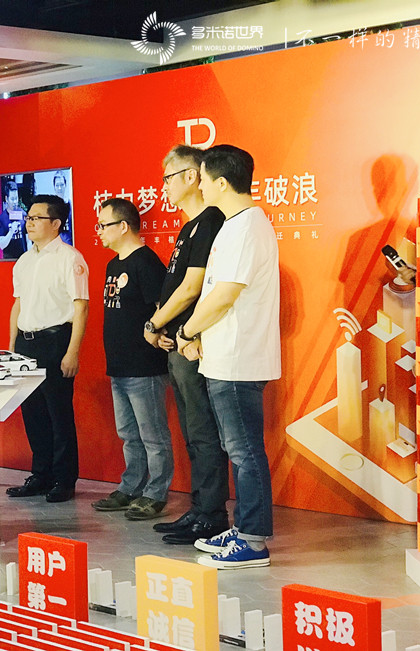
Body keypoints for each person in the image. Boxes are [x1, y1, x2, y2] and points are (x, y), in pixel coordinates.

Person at [174, 144, 280, 569]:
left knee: (245, 451)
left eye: (201, 178)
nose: (198, 186)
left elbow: (223, 296)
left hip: (239, 358)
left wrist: (187, 330)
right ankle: (245, 528)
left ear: (220, 182)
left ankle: (253, 541)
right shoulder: (235, 225)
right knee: (238, 449)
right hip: (225, 356)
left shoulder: (247, 227)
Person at [144, 145, 229, 545]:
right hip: (177, 342)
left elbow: (193, 287)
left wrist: (154, 323)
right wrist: (161, 324)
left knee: (203, 431)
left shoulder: (210, 220)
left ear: (192, 177)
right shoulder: (188, 226)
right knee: (194, 432)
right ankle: (200, 508)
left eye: (168, 178)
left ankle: (211, 515)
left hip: (194, 344)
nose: (163, 187)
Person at [91, 198, 172, 520]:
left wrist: (158, 334)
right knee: (129, 434)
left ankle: (156, 493)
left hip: (144, 366)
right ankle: (131, 487)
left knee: (153, 435)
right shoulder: (113, 265)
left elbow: (164, 306)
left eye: (103, 225)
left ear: (123, 226)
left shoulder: (146, 262)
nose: (98, 231)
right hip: (119, 365)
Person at [6, 194, 89, 503]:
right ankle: (40, 475)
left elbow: (81, 307)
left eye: (36, 218)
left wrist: (72, 352)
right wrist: (11, 348)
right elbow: (18, 305)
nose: (29, 222)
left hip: (56, 341)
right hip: (26, 343)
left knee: (58, 414)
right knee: (33, 413)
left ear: (55, 223)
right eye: (28, 217)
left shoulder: (70, 258)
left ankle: (63, 480)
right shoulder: (24, 260)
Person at [0, 181, 27, 259]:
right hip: (9, 258)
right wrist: (11, 232)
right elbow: (1, 245)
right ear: (6, 199)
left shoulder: (23, 214)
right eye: (12, 199)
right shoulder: (2, 218)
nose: (15, 202)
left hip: (23, 258)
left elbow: (28, 239)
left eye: (16, 198)